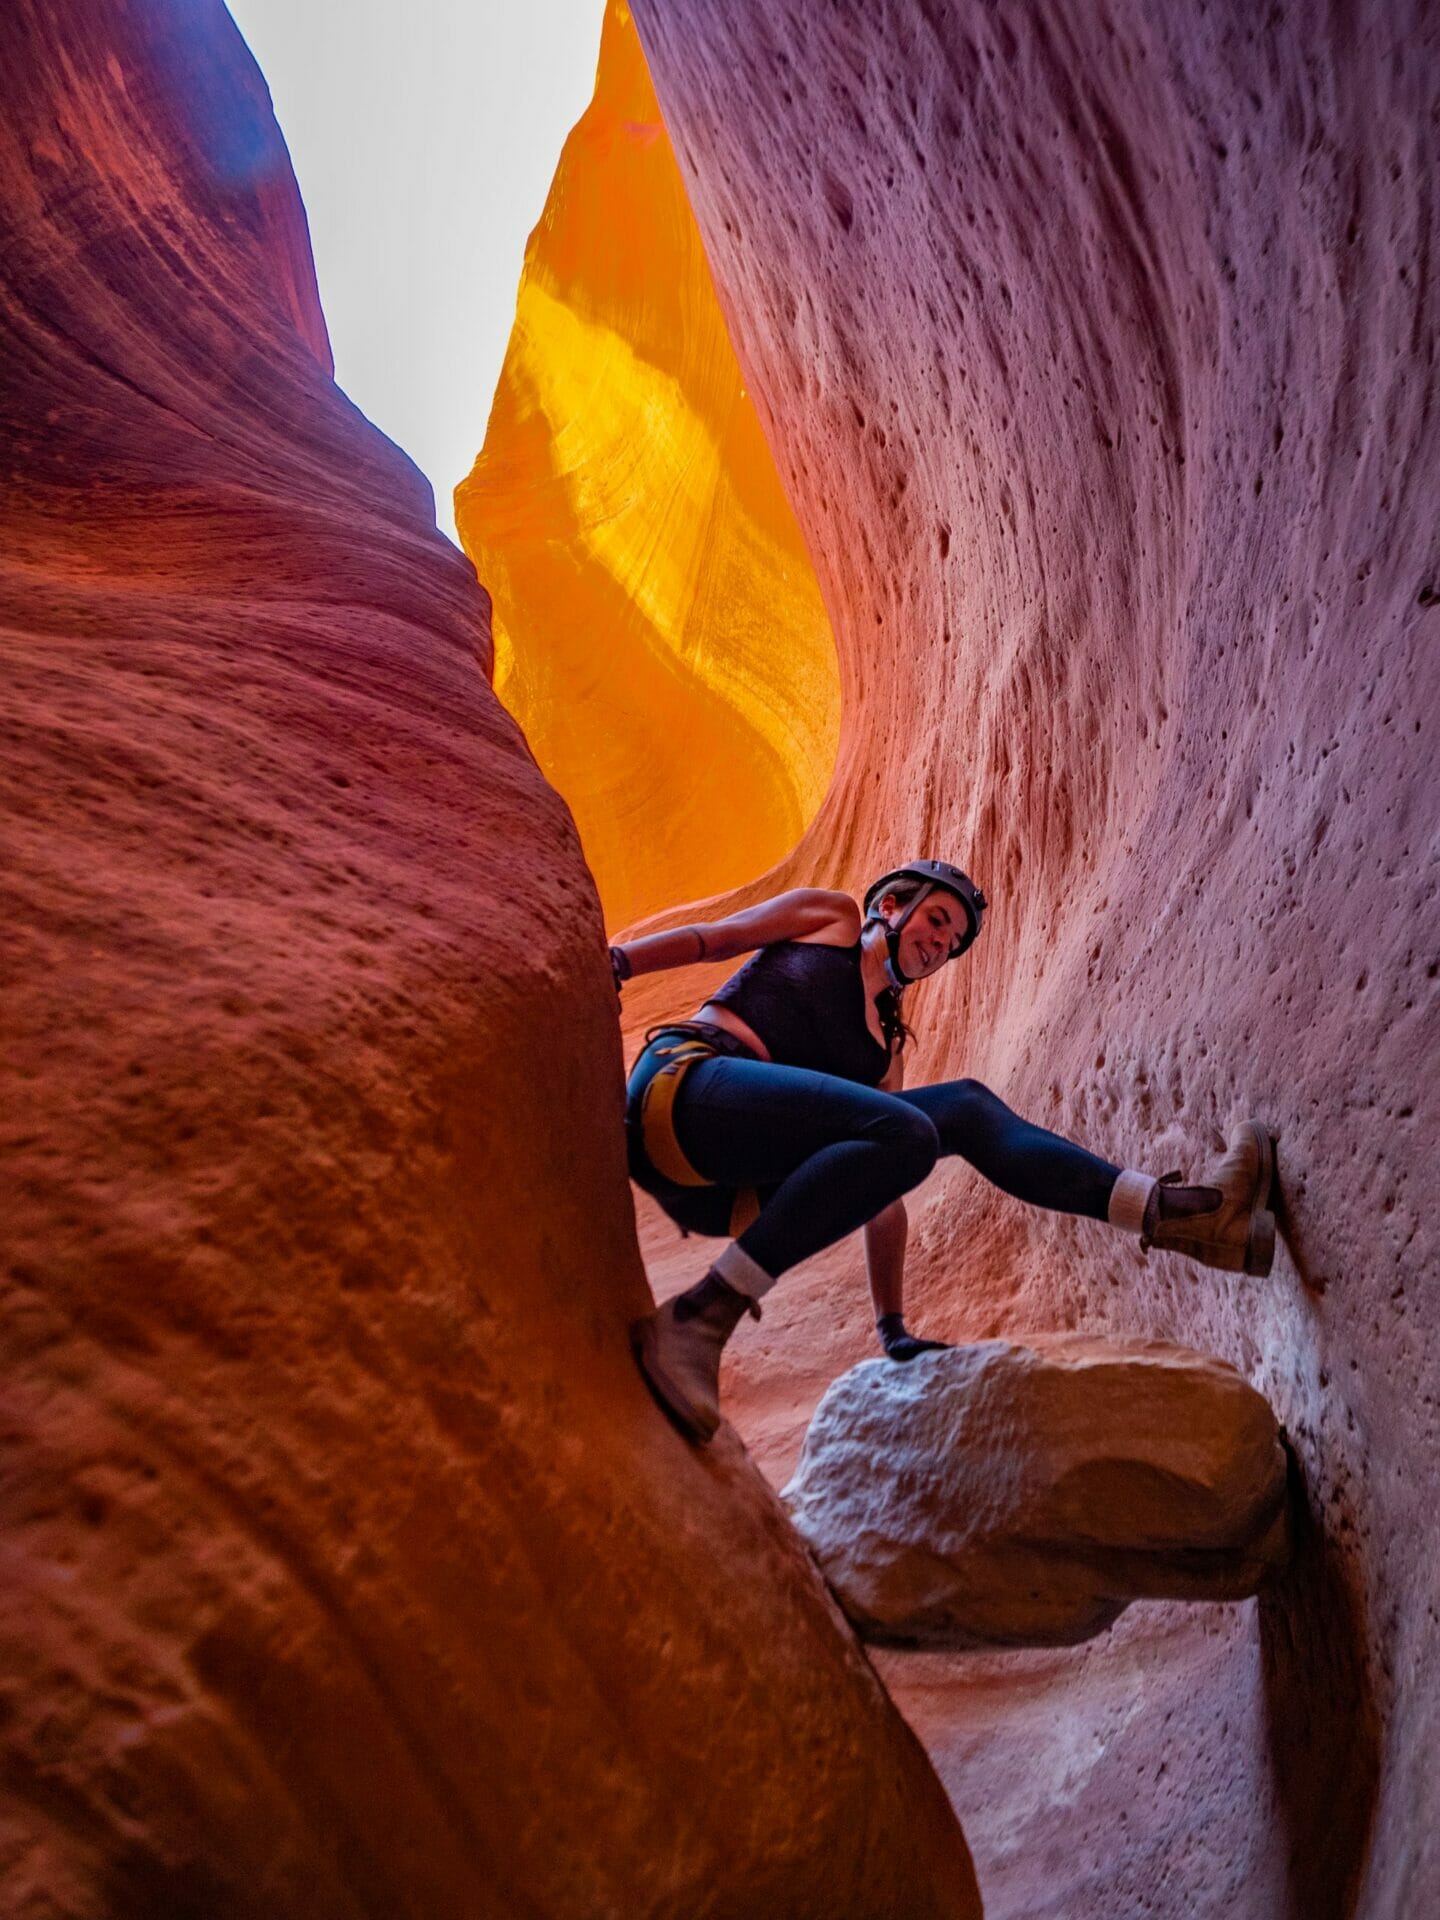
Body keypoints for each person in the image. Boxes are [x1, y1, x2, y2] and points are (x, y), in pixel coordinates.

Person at [613, 860, 1277, 1445]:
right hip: (684, 1091)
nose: (940, 943)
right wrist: (620, 961)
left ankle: (1183, 1218)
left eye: (953, 941)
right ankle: (698, 1320)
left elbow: (877, 1195)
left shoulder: (882, 1055)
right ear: (892, 906)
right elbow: (717, 939)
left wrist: (892, 1326)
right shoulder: (833, 920)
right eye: (936, 920)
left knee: (960, 1109)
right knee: (914, 1129)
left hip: (729, 1195)